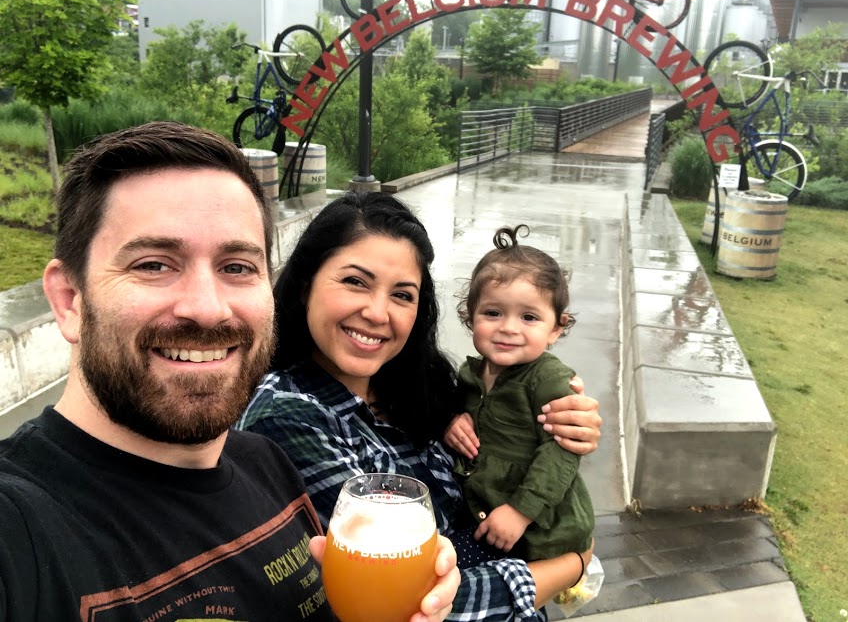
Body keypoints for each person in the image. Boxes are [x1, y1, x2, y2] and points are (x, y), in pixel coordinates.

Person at [0, 122, 458, 622]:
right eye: (154, 264)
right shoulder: (22, 528)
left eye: (237, 266)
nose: (208, 308)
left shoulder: (268, 465)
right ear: (69, 300)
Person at [238, 192, 603, 621]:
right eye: (355, 281)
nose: (377, 312)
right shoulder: (288, 416)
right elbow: (416, 601)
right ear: (306, 286)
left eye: (402, 295)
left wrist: (567, 423)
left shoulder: (419, 386)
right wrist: (573, 564)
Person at [445, 225, 593, 594]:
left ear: (557, 328)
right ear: (470, 317)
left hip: (536, 528)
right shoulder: (470, 374)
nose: (508, 328)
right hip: (488, 514)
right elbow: (453, 410)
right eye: (493, 313)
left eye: (529, 317)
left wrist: (521, 511)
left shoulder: (548, 379)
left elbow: (562, 451)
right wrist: (449, 420)